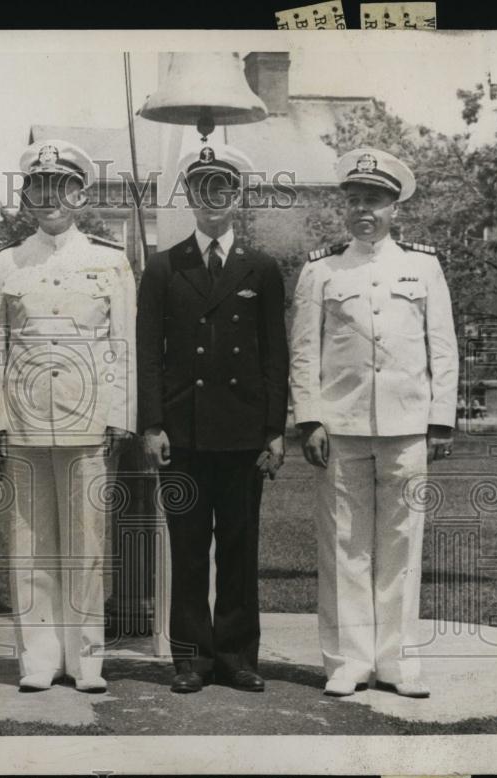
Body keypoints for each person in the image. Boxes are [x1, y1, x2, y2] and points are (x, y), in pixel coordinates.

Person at [290, 147, 458, 698]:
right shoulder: (322, 269)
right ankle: (348, 661)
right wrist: (309, 418)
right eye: (355, 200)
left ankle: (398, 661)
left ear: (394, 208)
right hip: (341, 426)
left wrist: (440, 420)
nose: (364, 210)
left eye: (375, 201)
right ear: (345, 207)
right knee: (344, 544)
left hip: (407, 425)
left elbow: (443, 347)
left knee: (402, 544)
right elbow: (304, 351)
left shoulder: (423, 266)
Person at [0, 140, 136, 693]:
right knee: (30, 545)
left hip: (87, 420)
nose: (50, 198)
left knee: (86, 545)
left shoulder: (109, 261)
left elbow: (123, 344)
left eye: (62, 187)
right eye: (39, 187)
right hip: (23, 422)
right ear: (27, 197)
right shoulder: (6, 263)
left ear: (81, 196)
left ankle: (86, 659)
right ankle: (39, 660)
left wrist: (120, 413)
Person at [137, 144, 288, 694]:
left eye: (222, 188)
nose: (213, 198)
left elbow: (275, 354)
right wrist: (152, 424)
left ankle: (237, 657)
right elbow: (148, 354)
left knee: (239, 550)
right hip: (184, 434)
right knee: (188, 547)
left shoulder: (261, 267)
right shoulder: (163, 266)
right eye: (202, 188)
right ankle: (192, 660)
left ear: (236, 195)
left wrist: (274, 430)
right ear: (190, 197)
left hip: (244, 434)